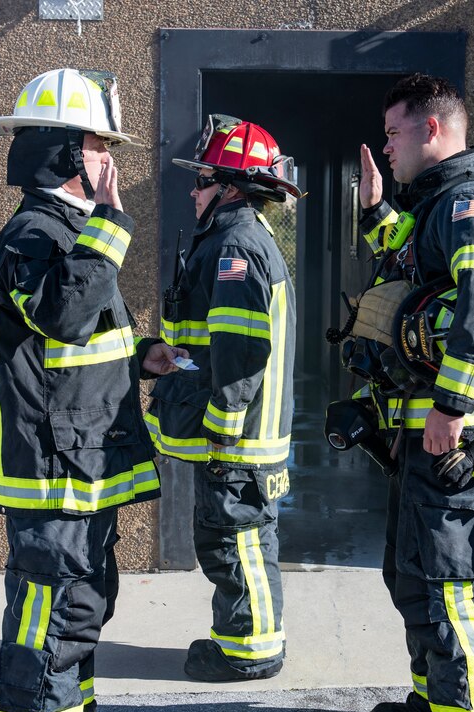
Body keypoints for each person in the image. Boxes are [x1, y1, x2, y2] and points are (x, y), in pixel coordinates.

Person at [0, 68, 184, 712]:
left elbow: (82, 332)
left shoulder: (68, 229)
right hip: (51, 462)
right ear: (68, 152)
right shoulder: (35, 232)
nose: (110, 159)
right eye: (100, 144)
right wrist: (110, 222)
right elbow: (62, 313)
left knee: (84, 595)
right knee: (54, 600)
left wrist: (143, 354)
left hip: (81, 454)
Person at [354, 74, 474, 712]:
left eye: (393, 133)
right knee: (414, 574)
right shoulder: (433, 209)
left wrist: (450, 408)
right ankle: (437, 698)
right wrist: (373, 212)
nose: (387, 147)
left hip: (453, 438)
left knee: (455, 582)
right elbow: (407, 264)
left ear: (431, 129)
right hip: (423, 436)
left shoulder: (471, 204)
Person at [144, 115, 300, 682]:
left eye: (203, 179)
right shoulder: (232, 237)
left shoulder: (235, 246)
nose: (193, 189)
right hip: (232, 434)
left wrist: (223, 424)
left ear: (231, 186)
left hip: (237, 439)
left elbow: (240, 351)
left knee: (241, 540)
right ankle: (238, 637)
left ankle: (253, 653)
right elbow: (212, 344)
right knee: (226, 537)